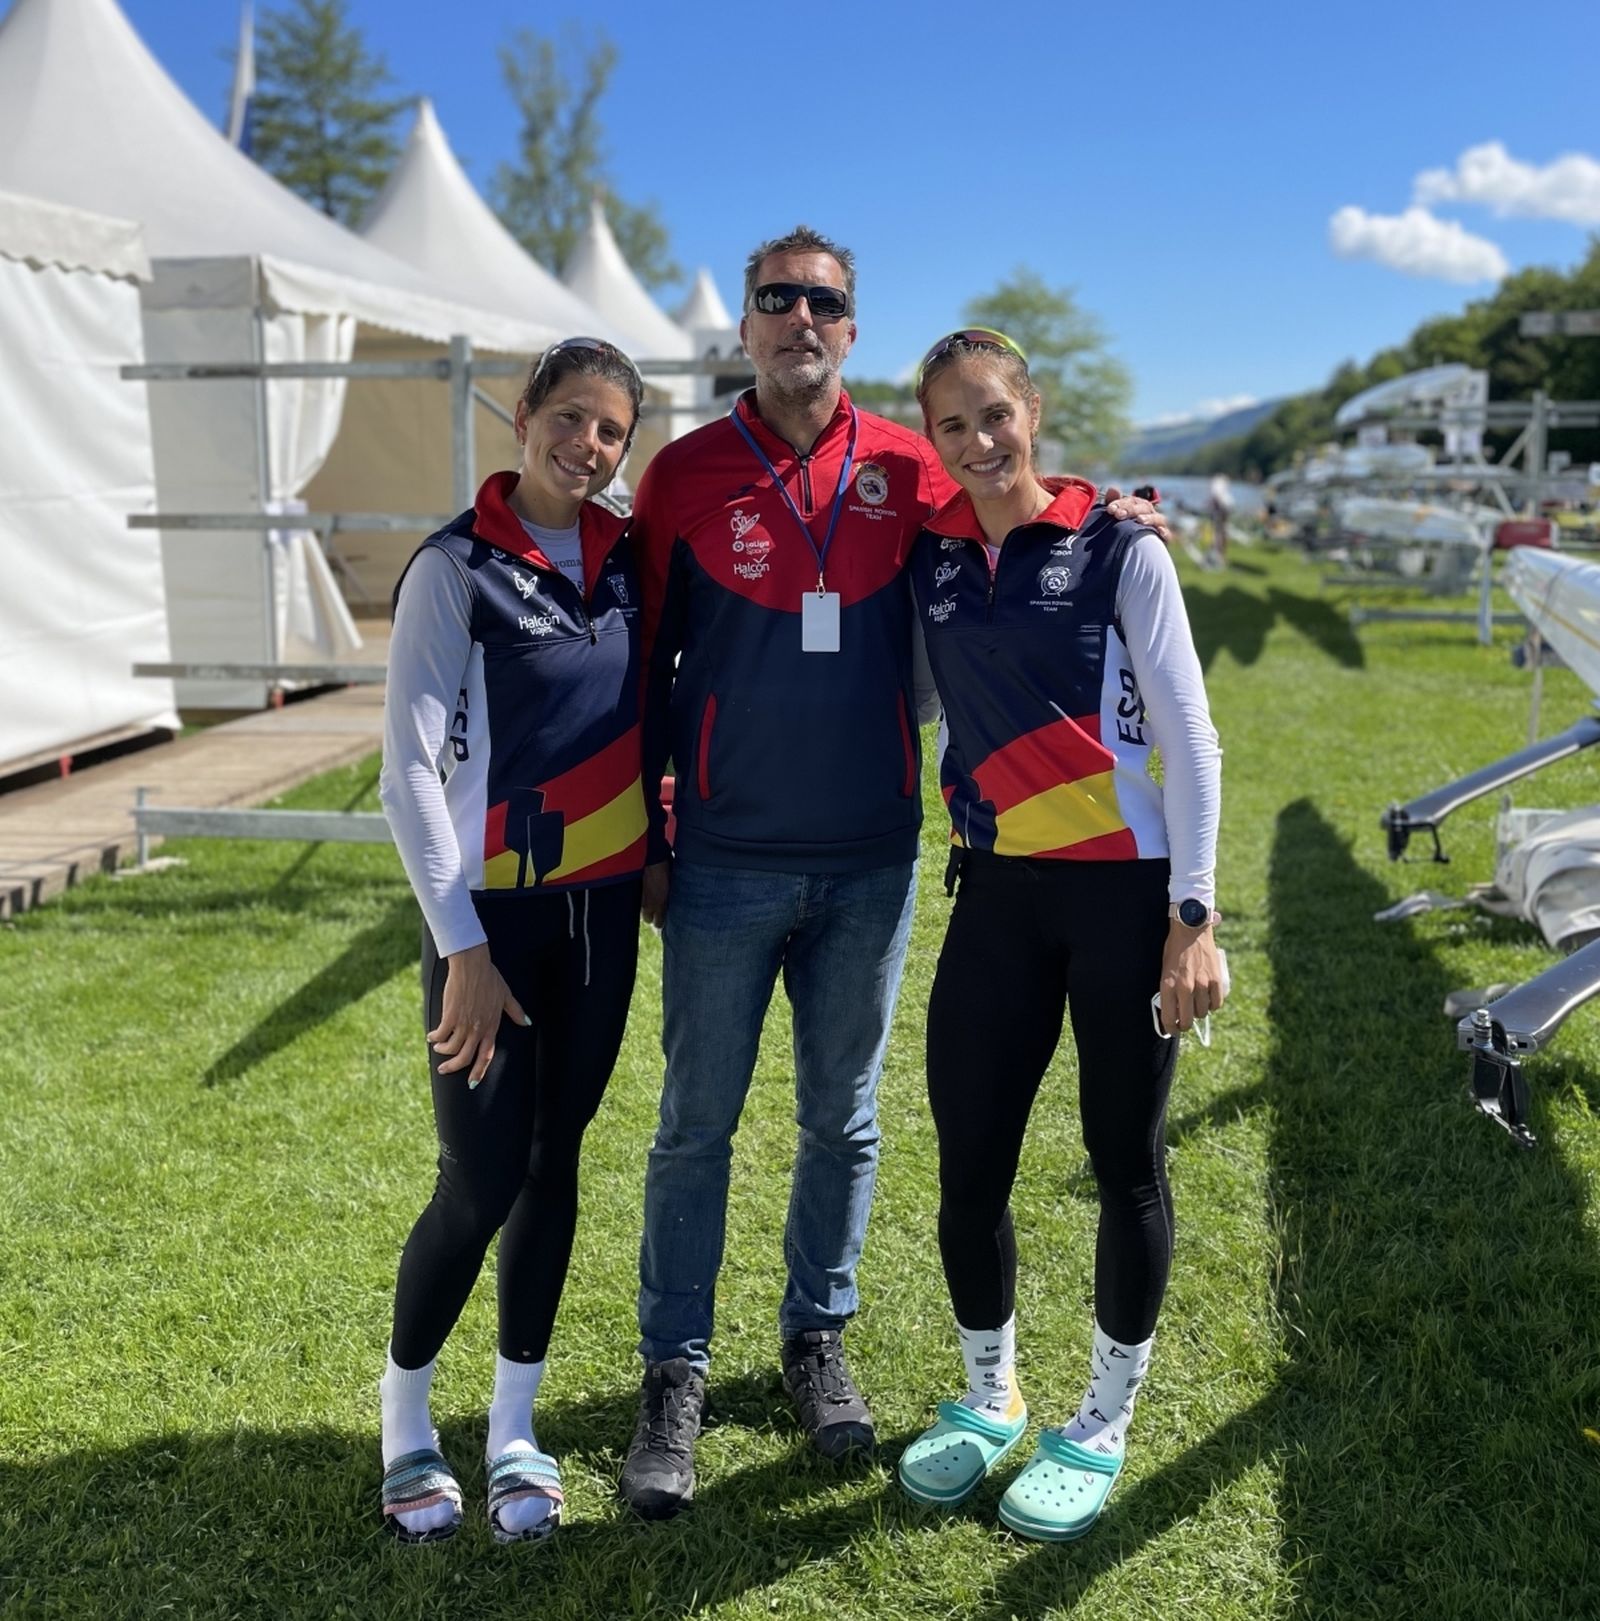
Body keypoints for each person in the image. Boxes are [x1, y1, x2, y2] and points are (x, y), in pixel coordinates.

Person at [620, 227, 1168, 1520]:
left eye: (825, 302)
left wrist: (1118, 510)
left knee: (843, 1119)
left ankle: (818, 1338)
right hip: (725, 854)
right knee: (696, 1125)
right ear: (744, 327)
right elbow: (646, 663)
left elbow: (1016, 495)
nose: (799, 318)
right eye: (777, 300)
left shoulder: (912, 463)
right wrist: (651, 825)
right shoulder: (684, 475)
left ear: (851, 330)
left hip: (873, 854)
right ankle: (675, 1369)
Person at [896, 330, 1223, 1542]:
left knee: (1121, 1161)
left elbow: (1191, 742)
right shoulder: (925, 559)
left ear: (1033, 411)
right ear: (931, 442)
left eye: (997, 416)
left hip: (1124, 902)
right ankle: (990, 1399)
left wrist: (1192, 917)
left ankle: (1100, 1421)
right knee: (968, 1165)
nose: (982, 443)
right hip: (994, 897)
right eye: (954, 427)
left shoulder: (1118, 549)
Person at [374, 337, 655, 1544]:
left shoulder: (635, 556)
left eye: (611, 432)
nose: (586, 446)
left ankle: (515, 1427)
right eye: (572, 418)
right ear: (525, 413)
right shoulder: (455, 568)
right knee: (479, 1177)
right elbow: (405, 776)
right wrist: (463, 948)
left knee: (555, 1165)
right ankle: (405, 1423)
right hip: (484, 927)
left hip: (600, 918)